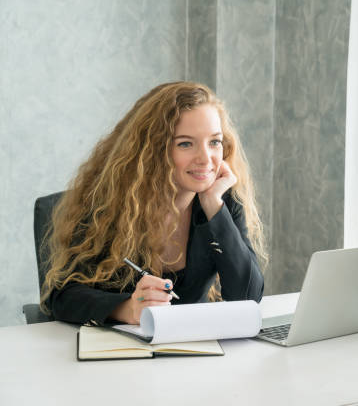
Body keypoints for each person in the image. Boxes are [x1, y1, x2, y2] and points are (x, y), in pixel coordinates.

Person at [40, 81, 266, 325]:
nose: (206, 158)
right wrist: (129, 309)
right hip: (118, 354)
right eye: (185, 144)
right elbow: (61, 296)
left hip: (195, 353)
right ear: (154, 150)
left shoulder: (222, 201)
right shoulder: (108, 203)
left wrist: (214, 206)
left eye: (215, 142)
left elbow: (247, 297)